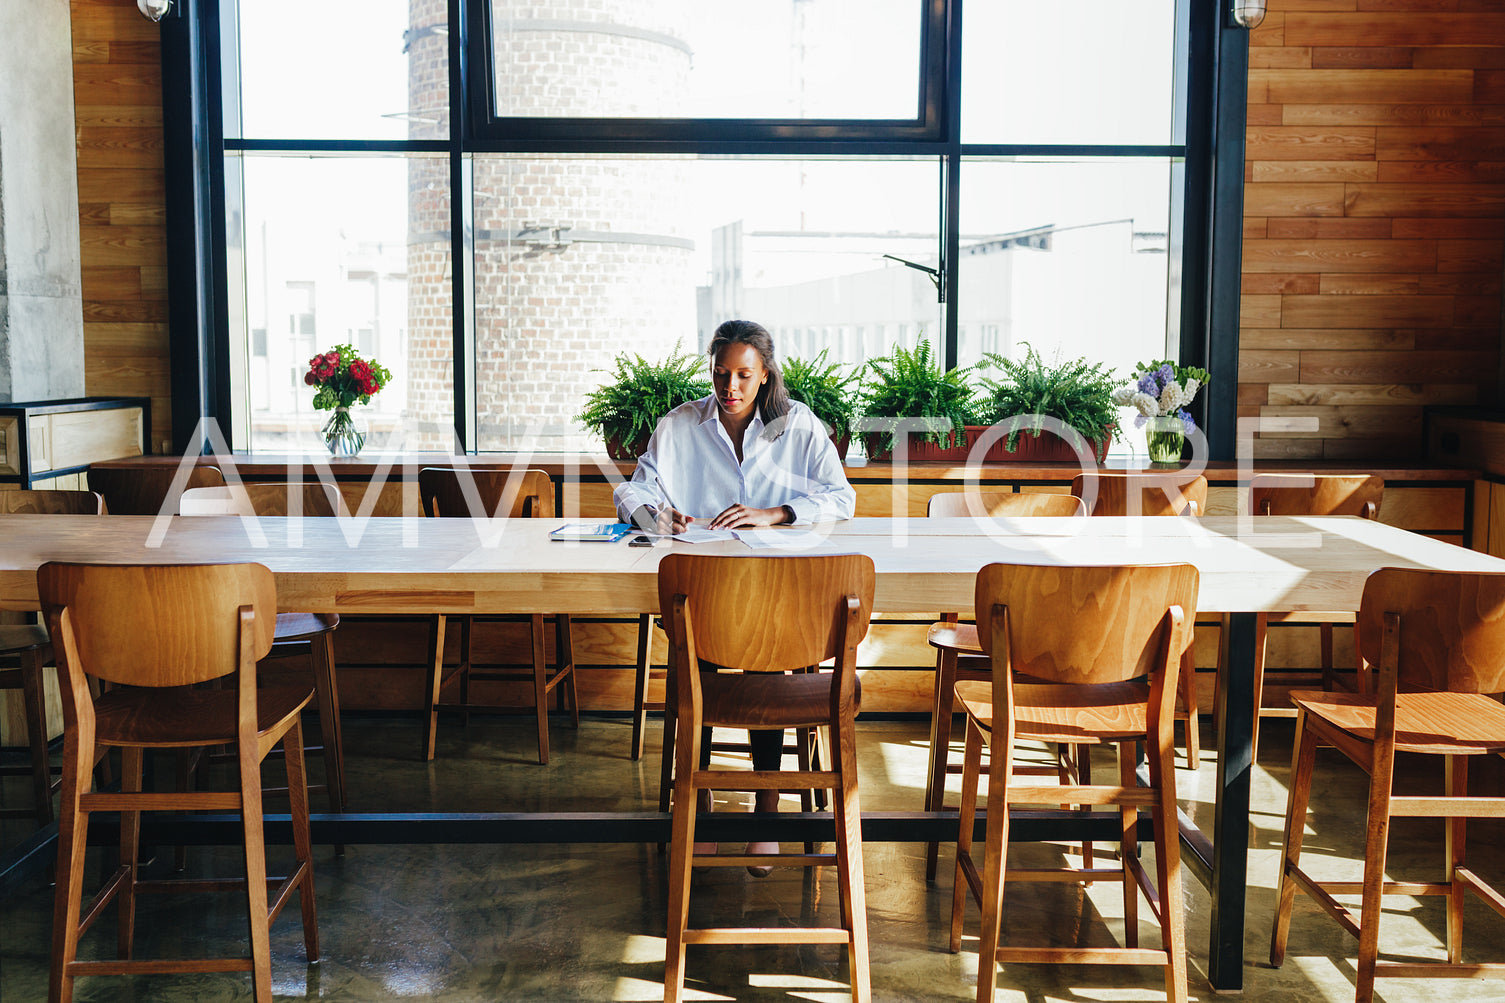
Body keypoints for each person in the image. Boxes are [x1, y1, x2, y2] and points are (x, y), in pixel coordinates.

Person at [613, 319, 855, 874]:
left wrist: (777, 513)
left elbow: (841, 497)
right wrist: (656, 514)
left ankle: (766, 810)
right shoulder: (680, 426)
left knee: (765, 662)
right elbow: (634, 488)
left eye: (744, 375)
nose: (731, 388)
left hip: (779, 602)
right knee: (697, 659)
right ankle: (699, 801)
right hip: (705, 597)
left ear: (765, 373)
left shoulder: (797, 426)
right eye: (722, 374)